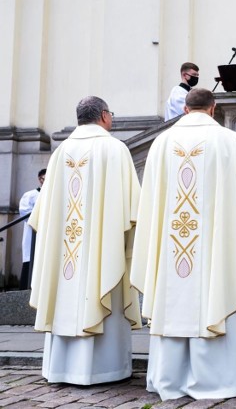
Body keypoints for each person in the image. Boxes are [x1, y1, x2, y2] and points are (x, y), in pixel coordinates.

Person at [131, 88, 236, 400]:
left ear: (185, 110)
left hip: (171, 249)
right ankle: (217, 380)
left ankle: (170, 379)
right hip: (216, 248)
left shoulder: (161, 144)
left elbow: (149, 205)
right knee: (215, 288)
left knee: (171, 295)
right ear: (213, 108)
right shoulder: (230, 142)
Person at [28, 96, 142, 385]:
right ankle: (106, 369)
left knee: (64, 290)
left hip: (63, 251)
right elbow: (133, 210)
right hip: (101, 251)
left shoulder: (60, 152)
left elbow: (42, 217)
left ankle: (61, 368)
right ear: (104, 116)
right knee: (102, 278)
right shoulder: (115, 149)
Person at [18, 168, 46, 290]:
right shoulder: (30, 195)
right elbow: (24, 212)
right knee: (30, 263)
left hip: (47, 237)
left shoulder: (55, 196)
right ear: (40, 179)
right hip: (33, 234)